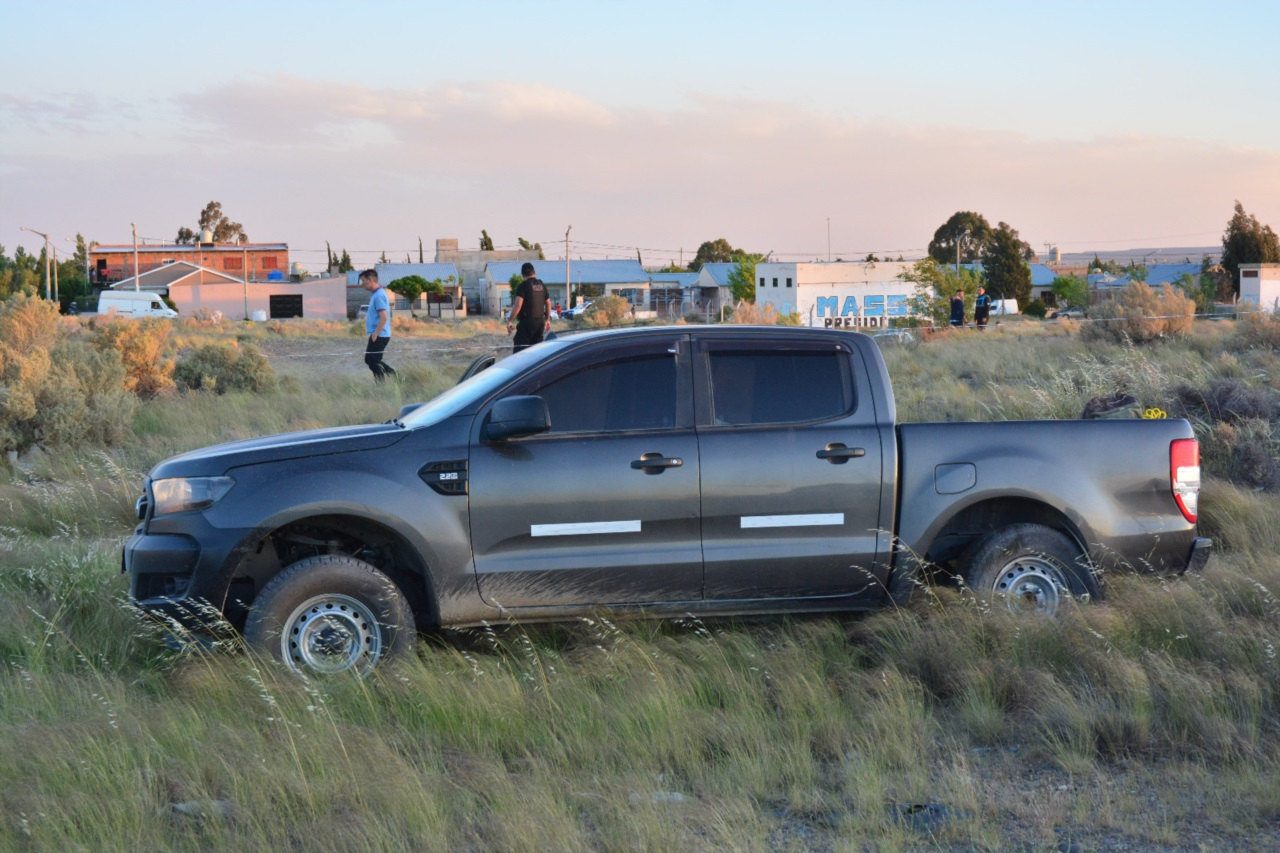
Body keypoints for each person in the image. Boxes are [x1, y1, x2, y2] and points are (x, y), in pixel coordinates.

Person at [360, 269, 396, 382]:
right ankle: (394, 376)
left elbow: (384, 317)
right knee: (370, 360)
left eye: (363, 281)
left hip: (380, 334)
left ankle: (382, 385)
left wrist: (375, 333)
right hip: (378, 334)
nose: (362, 284)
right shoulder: (376, 294)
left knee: (373, 361)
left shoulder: (379, 295)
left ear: (370, 280)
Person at [507, 262, 551, 353]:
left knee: (519, 351)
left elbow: (518, 305)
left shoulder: (523, 286)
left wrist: (510, 320)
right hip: (540, 322)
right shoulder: (542, 285)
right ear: (534, 272)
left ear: (523, 275)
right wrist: (547, 319)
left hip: (527, 323)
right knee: (537, 352)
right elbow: (548, 303)